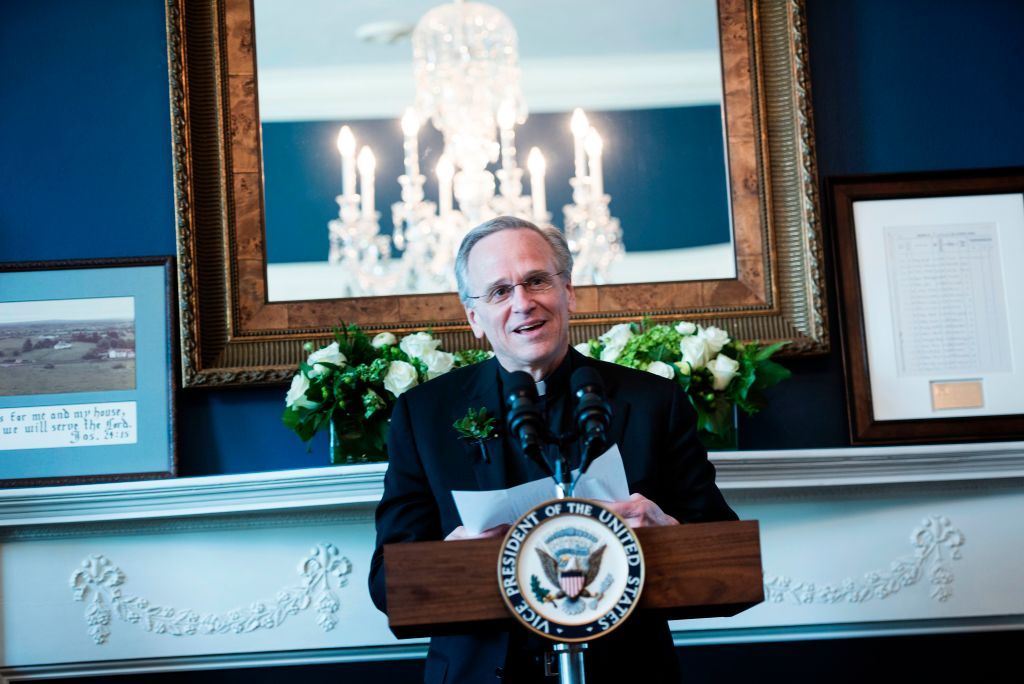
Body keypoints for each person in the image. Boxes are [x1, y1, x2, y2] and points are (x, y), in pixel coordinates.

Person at [369, 216, 736, 683]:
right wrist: (447, 559)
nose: (523, 303)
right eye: (499, 291)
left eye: (537, 280)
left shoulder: (651, 403)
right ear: (473, 319)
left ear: (569, 292)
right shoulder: (423, 416)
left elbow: (728, 570)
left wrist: (668, 532)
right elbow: (386, 585)